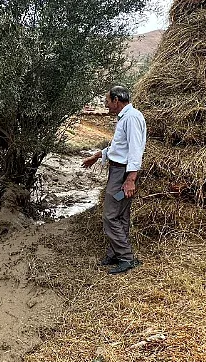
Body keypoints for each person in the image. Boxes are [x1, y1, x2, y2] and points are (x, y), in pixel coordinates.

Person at [82, 86, 147, 274]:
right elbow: (119, 147)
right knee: (120, 214)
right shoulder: (125, 117)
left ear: (117, 100)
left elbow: (135, 151)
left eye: (108, 102)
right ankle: (115, 252)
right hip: (118, 173)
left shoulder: (132, 118)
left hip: (122, 176)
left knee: (110, 215)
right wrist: (96, 156)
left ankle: (126, 257)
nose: (107, 106)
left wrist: (130, 179)